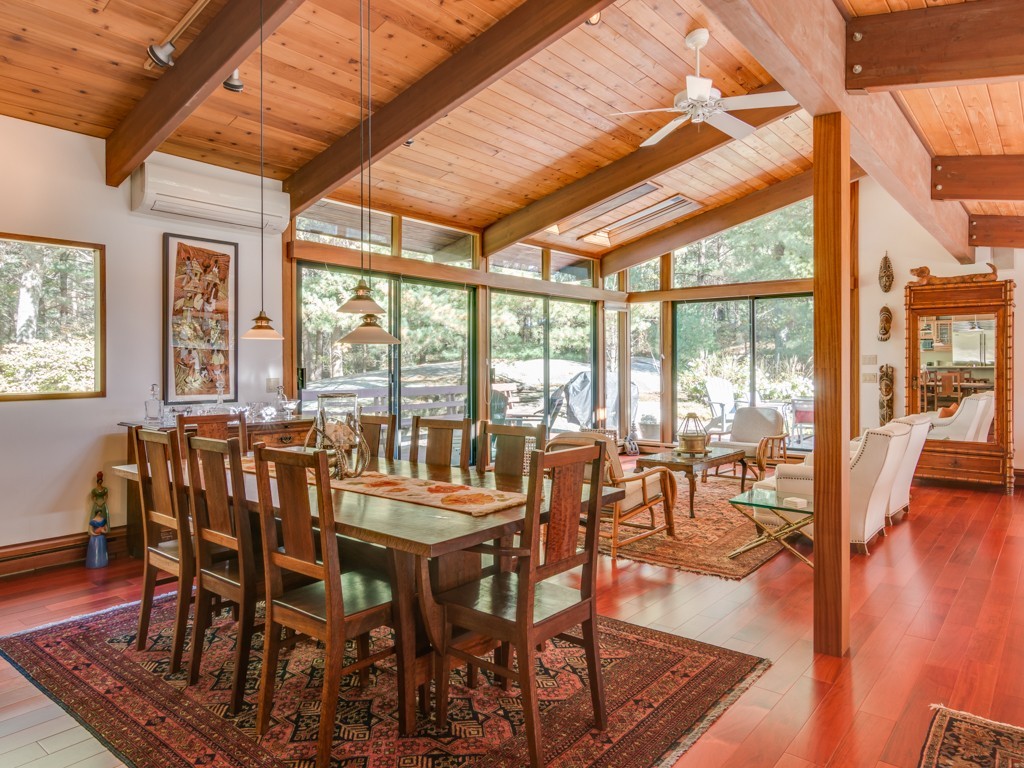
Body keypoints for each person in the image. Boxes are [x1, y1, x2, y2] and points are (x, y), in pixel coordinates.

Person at [86, 472, 109, 569]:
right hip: (97, 504)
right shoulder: (94, 490)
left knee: (104, 519)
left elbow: (106, 496)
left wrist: (103, 501)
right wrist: (96, 502)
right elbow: (92, 497)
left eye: (101, 481)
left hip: (102, 504)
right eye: (98, 481)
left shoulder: (105, 489)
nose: (100, 482)